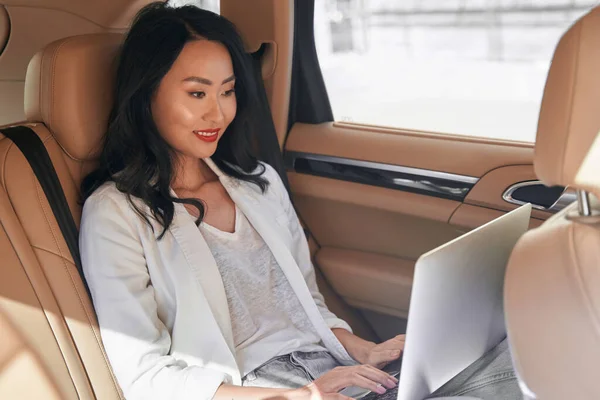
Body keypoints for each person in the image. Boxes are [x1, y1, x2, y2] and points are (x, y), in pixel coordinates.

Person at [79, 3, 521, 400]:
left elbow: (305, 304)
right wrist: (299, 397)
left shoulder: (259, 184)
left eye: (228, 91)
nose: (218, 113)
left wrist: (363, 348)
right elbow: (144, 377)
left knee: (522, 352)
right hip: (256, 390)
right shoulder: (116, 213)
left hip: (331, 371)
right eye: (197, 93)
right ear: (147, 94)